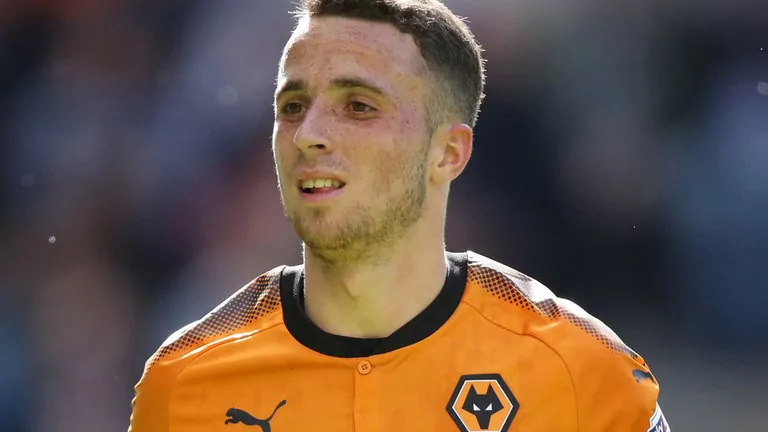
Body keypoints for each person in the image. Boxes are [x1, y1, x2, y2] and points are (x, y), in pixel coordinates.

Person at [129, 0, 670, 430]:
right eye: (292, 106)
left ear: (448, 153)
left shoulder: (580, 372)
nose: (309, 134)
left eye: (358, 106)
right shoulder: (185, 382)